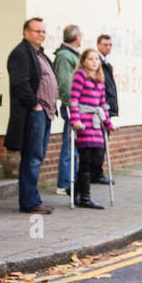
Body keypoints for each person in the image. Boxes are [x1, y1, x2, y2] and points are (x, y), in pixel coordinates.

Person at [5, 18, 58, 214]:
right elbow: (21, 84)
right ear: (26, 32)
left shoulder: (40, 54)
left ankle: (34, 199)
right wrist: (35, 106)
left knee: (37, 157)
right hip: (34, 113)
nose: (41, 35)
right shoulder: (21, 53)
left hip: (45, 113)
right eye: (37, 31)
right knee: (32, 158)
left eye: (44, 32)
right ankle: (29, 203)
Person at [68, 49, 113, 209]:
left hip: (96, 124)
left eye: (96, 59)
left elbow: (103, 104)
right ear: (84, 61)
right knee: (86, 161)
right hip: (84, 123)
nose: (94, 61)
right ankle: (85, 198)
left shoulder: (100, 79)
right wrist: (75, 120)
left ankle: (75, 188)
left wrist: (107, 123)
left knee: (97, 159)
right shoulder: (80, 76)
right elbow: (73, 100)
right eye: (91, 59)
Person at [52, 24, 82, 197]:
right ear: (76, 37)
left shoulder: (70, 54)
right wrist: (72, 105)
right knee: (69, 145)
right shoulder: (65, 56)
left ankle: (73, 181)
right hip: (71, 106)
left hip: (74, 106)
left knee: (74, 145)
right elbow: (64, 83)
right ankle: (64, 184)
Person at [94, 35, 118, 186]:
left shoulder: (106, 63)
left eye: (110, 45)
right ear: (98, 45)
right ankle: (96, 173)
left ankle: (97, 171)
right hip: (101, 108)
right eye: (105, 44)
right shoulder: (97, 61)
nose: (108, 47)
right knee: (99, 143)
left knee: (103, 142)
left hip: (107, 107)